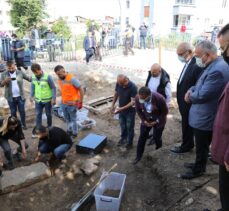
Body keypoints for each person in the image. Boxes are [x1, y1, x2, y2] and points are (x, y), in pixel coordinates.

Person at [181, 40, 229, 179]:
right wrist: (191, 90)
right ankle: (197, 163)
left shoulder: (218, 70)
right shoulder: (212, 65)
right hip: (202, 115)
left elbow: (203, 95)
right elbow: (198, 84)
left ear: (207, 55)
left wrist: (190, 96)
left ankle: (199, 169)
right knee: (201, 145)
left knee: (202, 145)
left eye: (197, 55)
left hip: (206, 116)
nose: (196, 59)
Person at [170, 42, 203, 154]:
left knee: (187, 125)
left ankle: (186, 146)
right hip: (183, 102)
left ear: (189, 52)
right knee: (185, 124)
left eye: (180, 54)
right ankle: (188, 143)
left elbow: (198, 86)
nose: (179, 57)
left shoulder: (196, 65)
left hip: (189, 103)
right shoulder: (188, 62)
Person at [133, 87, 168, 164]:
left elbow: (165, 112)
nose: (141, 100)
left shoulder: (159, 98)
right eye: (140, 98)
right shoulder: (138, 97)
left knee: (157, 137)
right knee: (142, 137)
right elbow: (138, 110)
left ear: (149, 96)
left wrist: (156, 121)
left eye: (143, 99)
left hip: (159, 120)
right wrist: (144, 120)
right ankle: (138, 156)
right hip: (146, 119)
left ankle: (158, 151)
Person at [54, 65, 84, 138]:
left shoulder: (72, 79)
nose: (58, 76)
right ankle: (69, 130)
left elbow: (81, 89)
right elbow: (64, 91)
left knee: (73, 119)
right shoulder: (60, 79)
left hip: (72, 104)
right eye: (57, 74)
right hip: (64, 103)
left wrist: (80, 102)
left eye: (59, 74)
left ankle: (74, 133)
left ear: (64, 71)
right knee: (67, 118)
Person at [0, 61, 31, 129]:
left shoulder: (20, 72)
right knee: (13, 112)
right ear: (6, 67)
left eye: (12, 68)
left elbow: (29, 79)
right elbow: (1, 85)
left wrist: (36, 77)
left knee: (22, 111)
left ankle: (23, 124)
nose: (11, 70)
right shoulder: (3, 74)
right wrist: (4, 81)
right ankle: (16, 125)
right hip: (10, 97)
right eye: (9, 68)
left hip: (20, 96)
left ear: (15, 66)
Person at [111, 74, 137, 149]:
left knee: (129, 127)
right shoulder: (119, 83)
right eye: (119, 84)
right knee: (122, 126)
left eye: (122, 84)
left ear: (126, 80)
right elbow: (116, 94)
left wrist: (121, 108)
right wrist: (112, 104)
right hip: (121, 110)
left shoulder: (133, 87)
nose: (121, 86)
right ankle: (123, 138)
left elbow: (132, 102)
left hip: (130, 112)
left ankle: (129, 143)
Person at [30, 63, 56, 135]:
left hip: (47, 100)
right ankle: (39, 128)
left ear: (40, 69)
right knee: (38, 114)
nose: (36, 74)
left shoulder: (48, 77)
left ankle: (49, 127)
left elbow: (53, 88)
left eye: (36, 72)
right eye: (34, 72)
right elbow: (32, 87)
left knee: (48, 114)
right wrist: (31, 96)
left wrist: (53, 98)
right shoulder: (33, 77)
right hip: (38, 100)